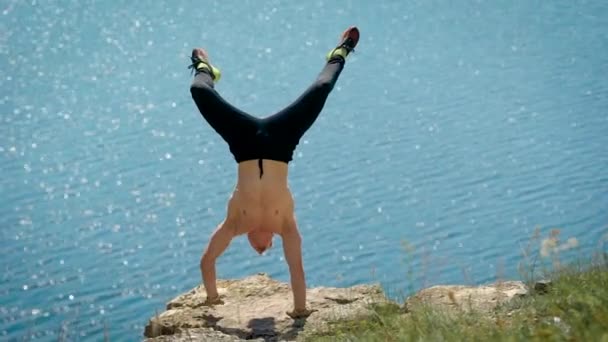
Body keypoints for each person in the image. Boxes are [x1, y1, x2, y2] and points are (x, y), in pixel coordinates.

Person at [188, 26, 360, 319]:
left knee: (198, 90)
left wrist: (212, 298)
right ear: (271, 242)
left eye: (258, 249)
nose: (260, 250)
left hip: (243, 143)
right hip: (281, 143)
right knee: (320, 90)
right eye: (266, 249)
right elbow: (296, 269)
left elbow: (207, 261)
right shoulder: (287, 226)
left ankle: (205, 69)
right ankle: (340, 53)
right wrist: (300, 310)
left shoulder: (235, 223)